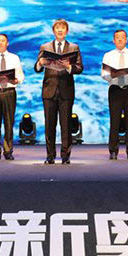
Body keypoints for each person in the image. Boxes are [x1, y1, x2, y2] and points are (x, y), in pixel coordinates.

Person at [34, 19, 83, 164]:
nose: (60, 30)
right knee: (50, 125)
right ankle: (50, 156)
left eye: (63, 28)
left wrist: (68, 67)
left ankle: (65, 156)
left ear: (66, 31)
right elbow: (37, 69)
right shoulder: (45, 47)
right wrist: (40, 63)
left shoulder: (74, 47)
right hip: (49, 91)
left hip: (66, 91)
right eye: (57, 28)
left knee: (66, 125)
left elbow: (80, 68)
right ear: (53, 31)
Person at [101, 29, 128, 160]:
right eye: (117, 37)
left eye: (122, 37)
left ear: (126, 40)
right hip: (115, 89)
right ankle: (113, 151)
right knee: (114, 121)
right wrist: (111, 75)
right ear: (113, 40)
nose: (120, 39)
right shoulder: (108, 55)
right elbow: (103, 74)